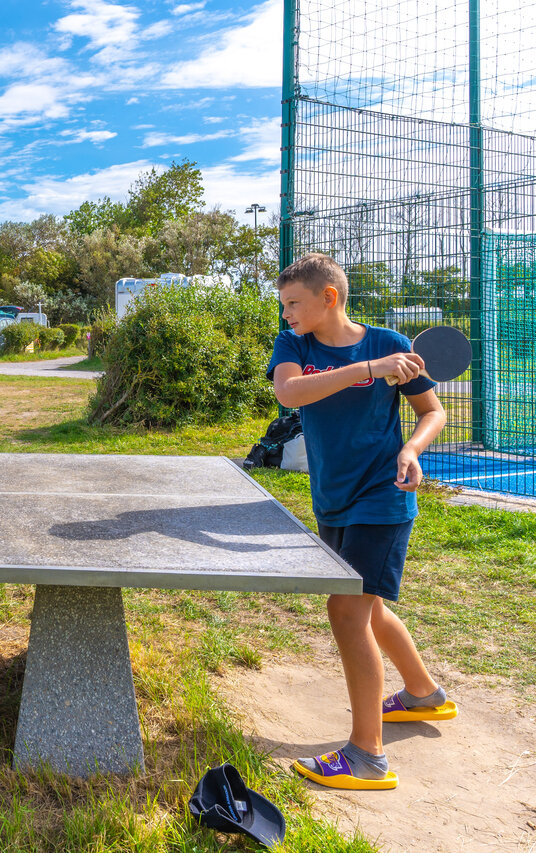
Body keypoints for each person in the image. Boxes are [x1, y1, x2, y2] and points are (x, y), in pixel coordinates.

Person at [268, 253, 451, 791]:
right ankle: (422, 695)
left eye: (294, 304)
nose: (287, 315)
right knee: (366, 607)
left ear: (329, 297)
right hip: (333, 498)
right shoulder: (297, 346)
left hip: (383, 497)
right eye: (283, 306)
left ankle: (367, 757)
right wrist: (370, 371)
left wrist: (414, 450)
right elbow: (290, 393)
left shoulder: (389, 342)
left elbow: (431, 410)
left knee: (348, 610)